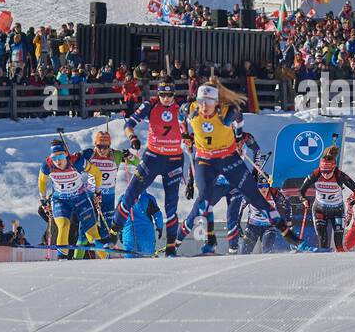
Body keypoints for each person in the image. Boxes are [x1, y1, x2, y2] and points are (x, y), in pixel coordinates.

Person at [180, 81, 300, 247]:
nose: (204, 106)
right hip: (215, 176)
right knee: (202, 205)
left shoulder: (230, 120)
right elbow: (191, 143)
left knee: (235, 215)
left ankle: (234, 247)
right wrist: (190, 181)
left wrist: (254, 168)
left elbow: (255, 148)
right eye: (202, 102)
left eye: (208, 102)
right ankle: (203, 238)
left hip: (232, 175)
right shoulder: (195, 115)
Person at [117, 79, 188, 255]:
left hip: (174, 159)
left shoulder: (182, 107)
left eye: (169, 94)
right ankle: (113, 233)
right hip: (153, 158)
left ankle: (171, 249)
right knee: (130, 194)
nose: (165, 98)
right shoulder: (151, 105)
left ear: (174, 94)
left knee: (171, 206)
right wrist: (132, 137)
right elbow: (128, 124)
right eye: (162, 94)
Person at [38, 138, 108, 260]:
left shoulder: (77, 162)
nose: (57, 161)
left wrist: (97, 192)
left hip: (80, 199)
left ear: (66, 154)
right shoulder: (47, 165)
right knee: (63, 226)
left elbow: (97, 173)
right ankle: (62, 259)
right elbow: (41, 180)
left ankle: (107, 260)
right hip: (60, 200)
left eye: (60, 157)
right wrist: (43, 199)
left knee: (91, 234)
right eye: (54, 158)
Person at [298, 146, 355, 251]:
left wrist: (354, 200)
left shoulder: (339, 175)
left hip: (337, 211)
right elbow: (301, 191)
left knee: (338, 244)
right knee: (323, 243)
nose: (325, 175)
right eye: (323, 171)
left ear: (333, 168)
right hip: (320, 210)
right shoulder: (315, 174)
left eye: (328, 172)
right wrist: (304, 200)